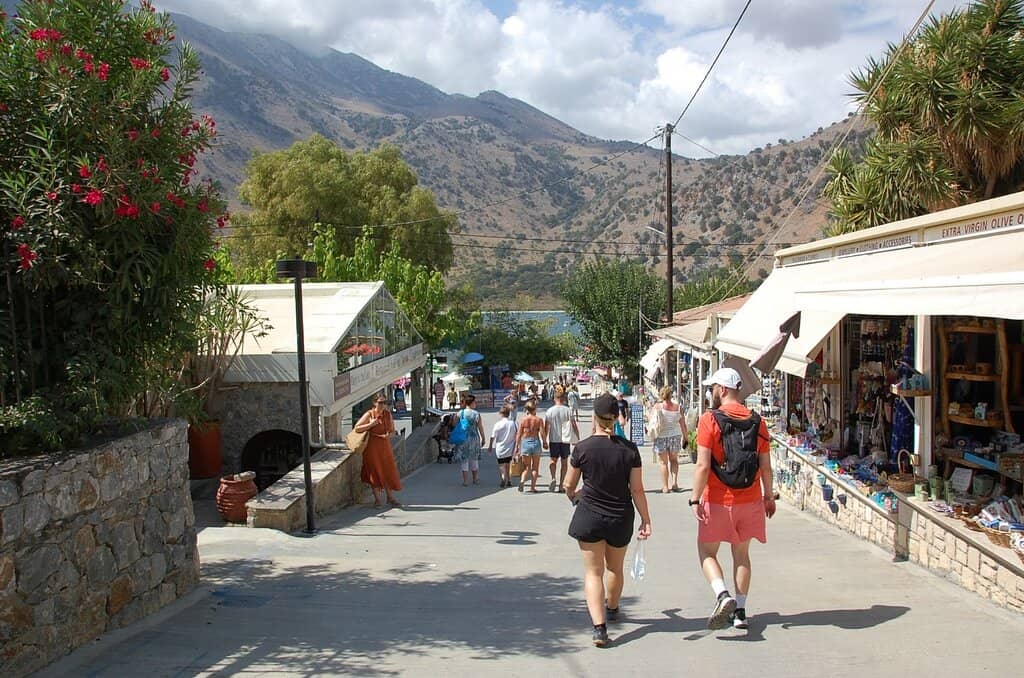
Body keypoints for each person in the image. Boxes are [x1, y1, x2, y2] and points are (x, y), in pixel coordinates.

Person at [690, 368, 775, 631]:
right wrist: (768, 496)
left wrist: (695, 499)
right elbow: (766, 466)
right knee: (742, 555)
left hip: (718, 499)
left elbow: (703, 465)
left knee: (707, 551)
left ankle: (722, 595)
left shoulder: (709, 420)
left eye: (713, 387)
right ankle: (740, 612)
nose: (711, 392)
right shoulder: (758, 421)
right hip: (750, 500)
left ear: (723, 389)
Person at [564, 393, 652, 647]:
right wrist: (646, 519)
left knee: (593, 573)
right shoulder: (630, 450)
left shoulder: (582, 448)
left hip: (589, 516)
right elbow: (637, 489)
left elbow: (568, 484)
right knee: (615, 568)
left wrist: (575, 496)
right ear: (616, 418)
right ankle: (612, 608)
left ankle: (599, 628)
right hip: (620, 516)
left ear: (595, 416)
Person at [354, 394, 402, 508]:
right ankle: (377, 499)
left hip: (385, 446)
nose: (383, 405)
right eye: (380, 402)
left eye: (385, 403)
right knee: (374, 471)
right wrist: (370, 424)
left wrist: (389, 435)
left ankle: (390, 497)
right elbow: (357, 428)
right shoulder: (369, 414)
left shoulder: (387, 415)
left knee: (387, 471)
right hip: (372, 447)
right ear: (375, 403)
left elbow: (392, 431)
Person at [543, 388, 580, 493]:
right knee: (564, 463)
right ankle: (560, 485)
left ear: (554, 399)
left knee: (553, 460)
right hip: (565, 439)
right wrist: (577, 437)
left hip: (553, 439)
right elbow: (574, 425)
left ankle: (553, 477)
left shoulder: (549, 411)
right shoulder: (568, 410)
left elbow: (546, 427)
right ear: (563, 399)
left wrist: (544, 440)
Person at [651, 386, 686, 494]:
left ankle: (665, 487)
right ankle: (674, 483)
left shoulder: (657, 407)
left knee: (663, 463)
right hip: (675, 436)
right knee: (674, 460)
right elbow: (683, 424)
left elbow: (652, 421)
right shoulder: (678, 407)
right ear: (671, 395)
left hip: (661, 436)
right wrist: (685, 437)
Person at [454, 394, 486, 486]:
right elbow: (480, 427)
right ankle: (475, 479)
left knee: (464, 460)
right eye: (475, 402)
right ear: (471, 403)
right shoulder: (476, 414)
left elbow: (455, 423)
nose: (476, 404)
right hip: (474, 438)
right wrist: (483, 438)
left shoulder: (460, 413)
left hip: (463, 439)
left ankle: (465, 481)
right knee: (474, 459)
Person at [514, 400, 544, 492]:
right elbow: (542, 433)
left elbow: (519, 434)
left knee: (526, 467)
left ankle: (522, 481)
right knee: (535, 467)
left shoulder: (523, 420)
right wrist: (545, 442)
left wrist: (516, 446)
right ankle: (532, 487)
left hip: (525, 443)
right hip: (535, 442)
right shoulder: (539, 420)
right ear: (535, 409)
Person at [489, 405, 518, 487]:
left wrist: (490, 446)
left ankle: (503, 478)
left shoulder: (498, 424)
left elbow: (493, 436)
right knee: (508, 464)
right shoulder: (513, 423)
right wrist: (517, 446)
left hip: (500, 448)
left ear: (500, 414)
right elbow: (517, 435)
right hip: (510, 448)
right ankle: (509, 479)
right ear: (509, 413)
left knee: (501, 465)